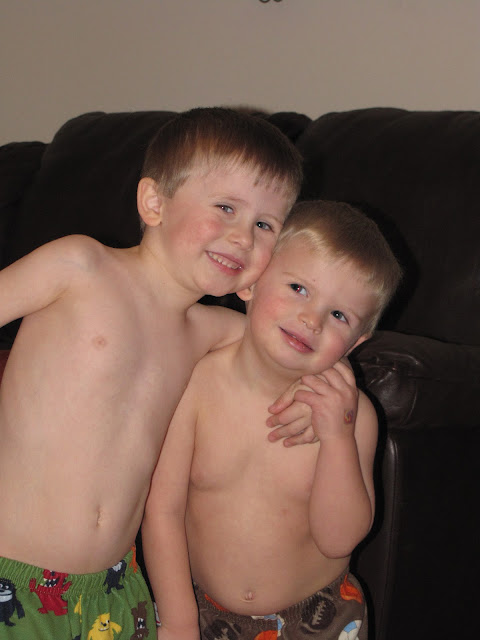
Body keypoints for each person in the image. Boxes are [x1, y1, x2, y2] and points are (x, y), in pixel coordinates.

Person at [0, 107, 305, 638]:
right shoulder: (80, 266)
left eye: (265, 226)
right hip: (11, 575)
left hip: (116, 592)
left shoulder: (214, 333)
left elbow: (301, 349)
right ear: (154, 203)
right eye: (226, 208)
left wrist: (321, 386)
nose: (243, 237)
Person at [142, 200, 403, 640]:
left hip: (319, 619)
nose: (311, 319)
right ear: (251, 283)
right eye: (299, 288)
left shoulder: (352, 417)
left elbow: (339, 540)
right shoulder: (197, 384)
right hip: (198, 612)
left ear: (355, 344)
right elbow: (162, 509)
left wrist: (337, 438)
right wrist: (178, 619)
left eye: (338, 315)